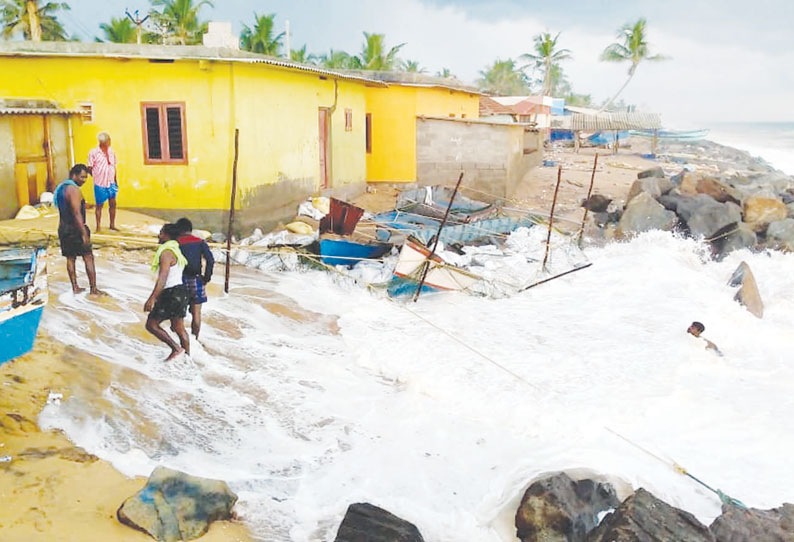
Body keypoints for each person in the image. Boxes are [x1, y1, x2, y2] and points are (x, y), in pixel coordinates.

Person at [53, 164, 103, 295]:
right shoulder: (74, 190)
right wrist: (83, 233)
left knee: (70, 258)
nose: (84, 180)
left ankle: (75, 287)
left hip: (63, 228)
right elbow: (76, 213)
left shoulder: (61, 188)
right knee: (88, 257)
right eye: (82, 177)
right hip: (75, 229)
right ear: (73, 175)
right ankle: (93, 289)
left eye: (86, 178)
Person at [145, 223, 190, 361]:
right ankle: (187, 359)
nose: (159, 236)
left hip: (171, 292)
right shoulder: (177, 250)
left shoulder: (166, 253)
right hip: (182, 291)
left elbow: (163, 278)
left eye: (161, 233)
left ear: (167, 235)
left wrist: (152, 298)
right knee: (179, 328)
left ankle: (176, 348)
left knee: (151, 325)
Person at [175, 218, 214, 340]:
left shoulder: (176, 243)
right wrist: (206, 278)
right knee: (196, 314)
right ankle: (194, 339)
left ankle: (179, 339)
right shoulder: (200, 242)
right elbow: (210, 260)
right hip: (196, 279)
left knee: (177, 314)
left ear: (179, 230)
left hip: (179, 280)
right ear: (190, 230)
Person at [87, 132, 119, 232]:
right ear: (103, 142)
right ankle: (98, 226)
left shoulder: (111, 152)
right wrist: (96, 176)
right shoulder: (93, 152)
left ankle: (112, 225)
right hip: (100, 183)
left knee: (113, 203)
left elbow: (114, 166)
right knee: (99, 205)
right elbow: (89, 167)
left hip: (111, 182)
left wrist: (115, 180)